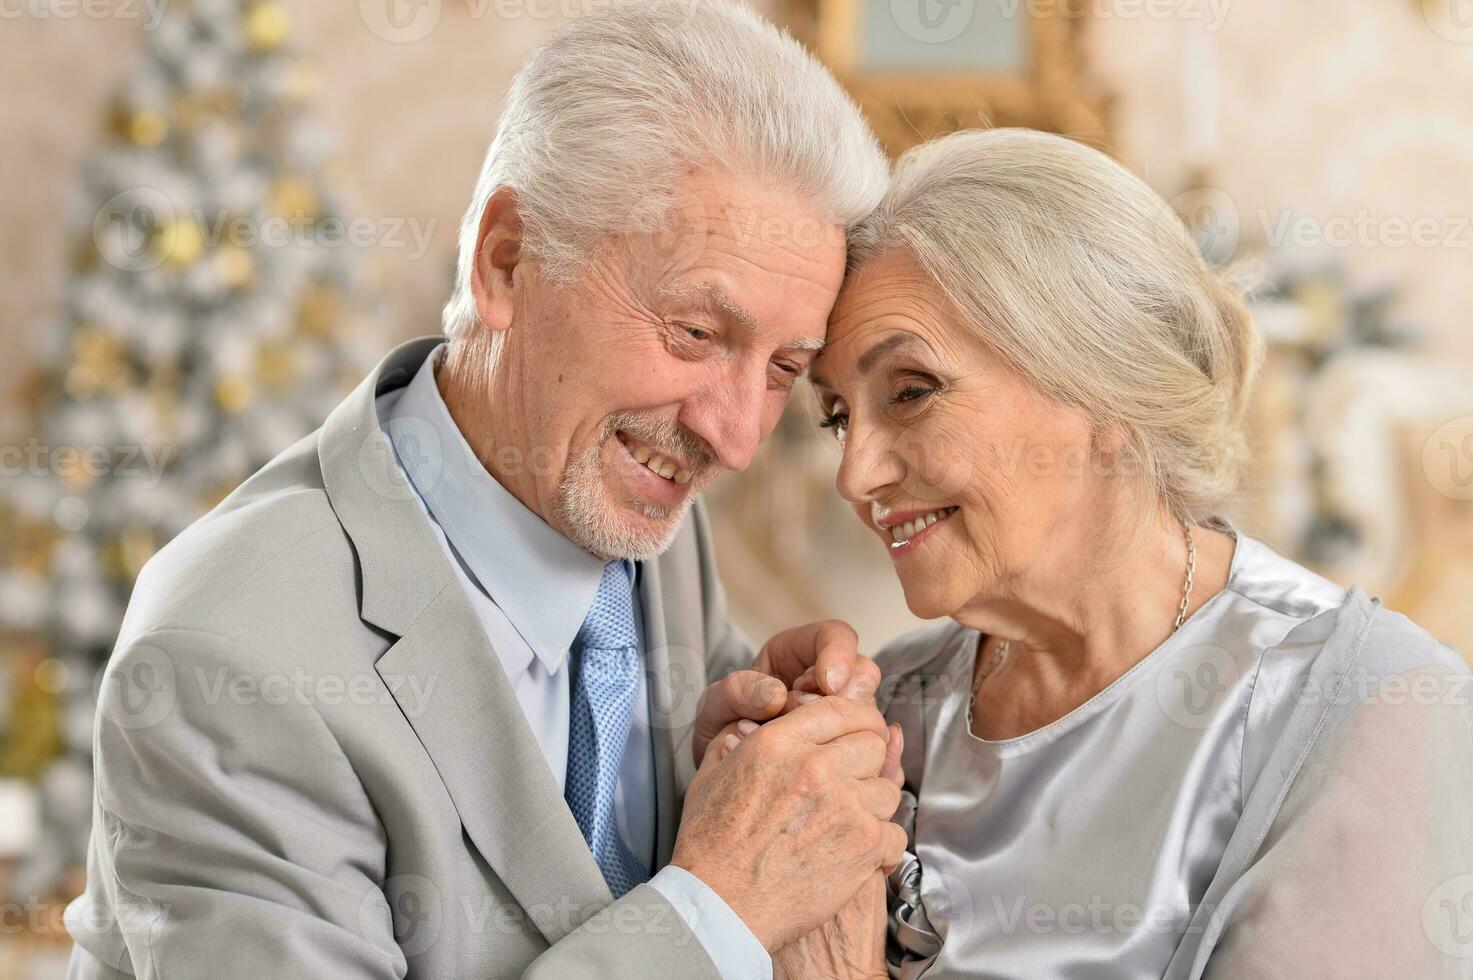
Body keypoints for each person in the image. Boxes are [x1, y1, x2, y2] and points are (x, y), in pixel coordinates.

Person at [64, 3, 906, 977]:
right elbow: (703, 907)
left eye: (782, 369)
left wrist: (747, 742)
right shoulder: (230, 656)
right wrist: (719, 906)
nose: (735, 434)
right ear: (508, 258)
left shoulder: (636, 501)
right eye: (696, 333)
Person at [775, 127, 1473, 978]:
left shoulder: (1367, 705)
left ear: (1101, 385)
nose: (854, 474)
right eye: (838, 414)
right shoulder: (886, 717)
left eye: (911, 392)